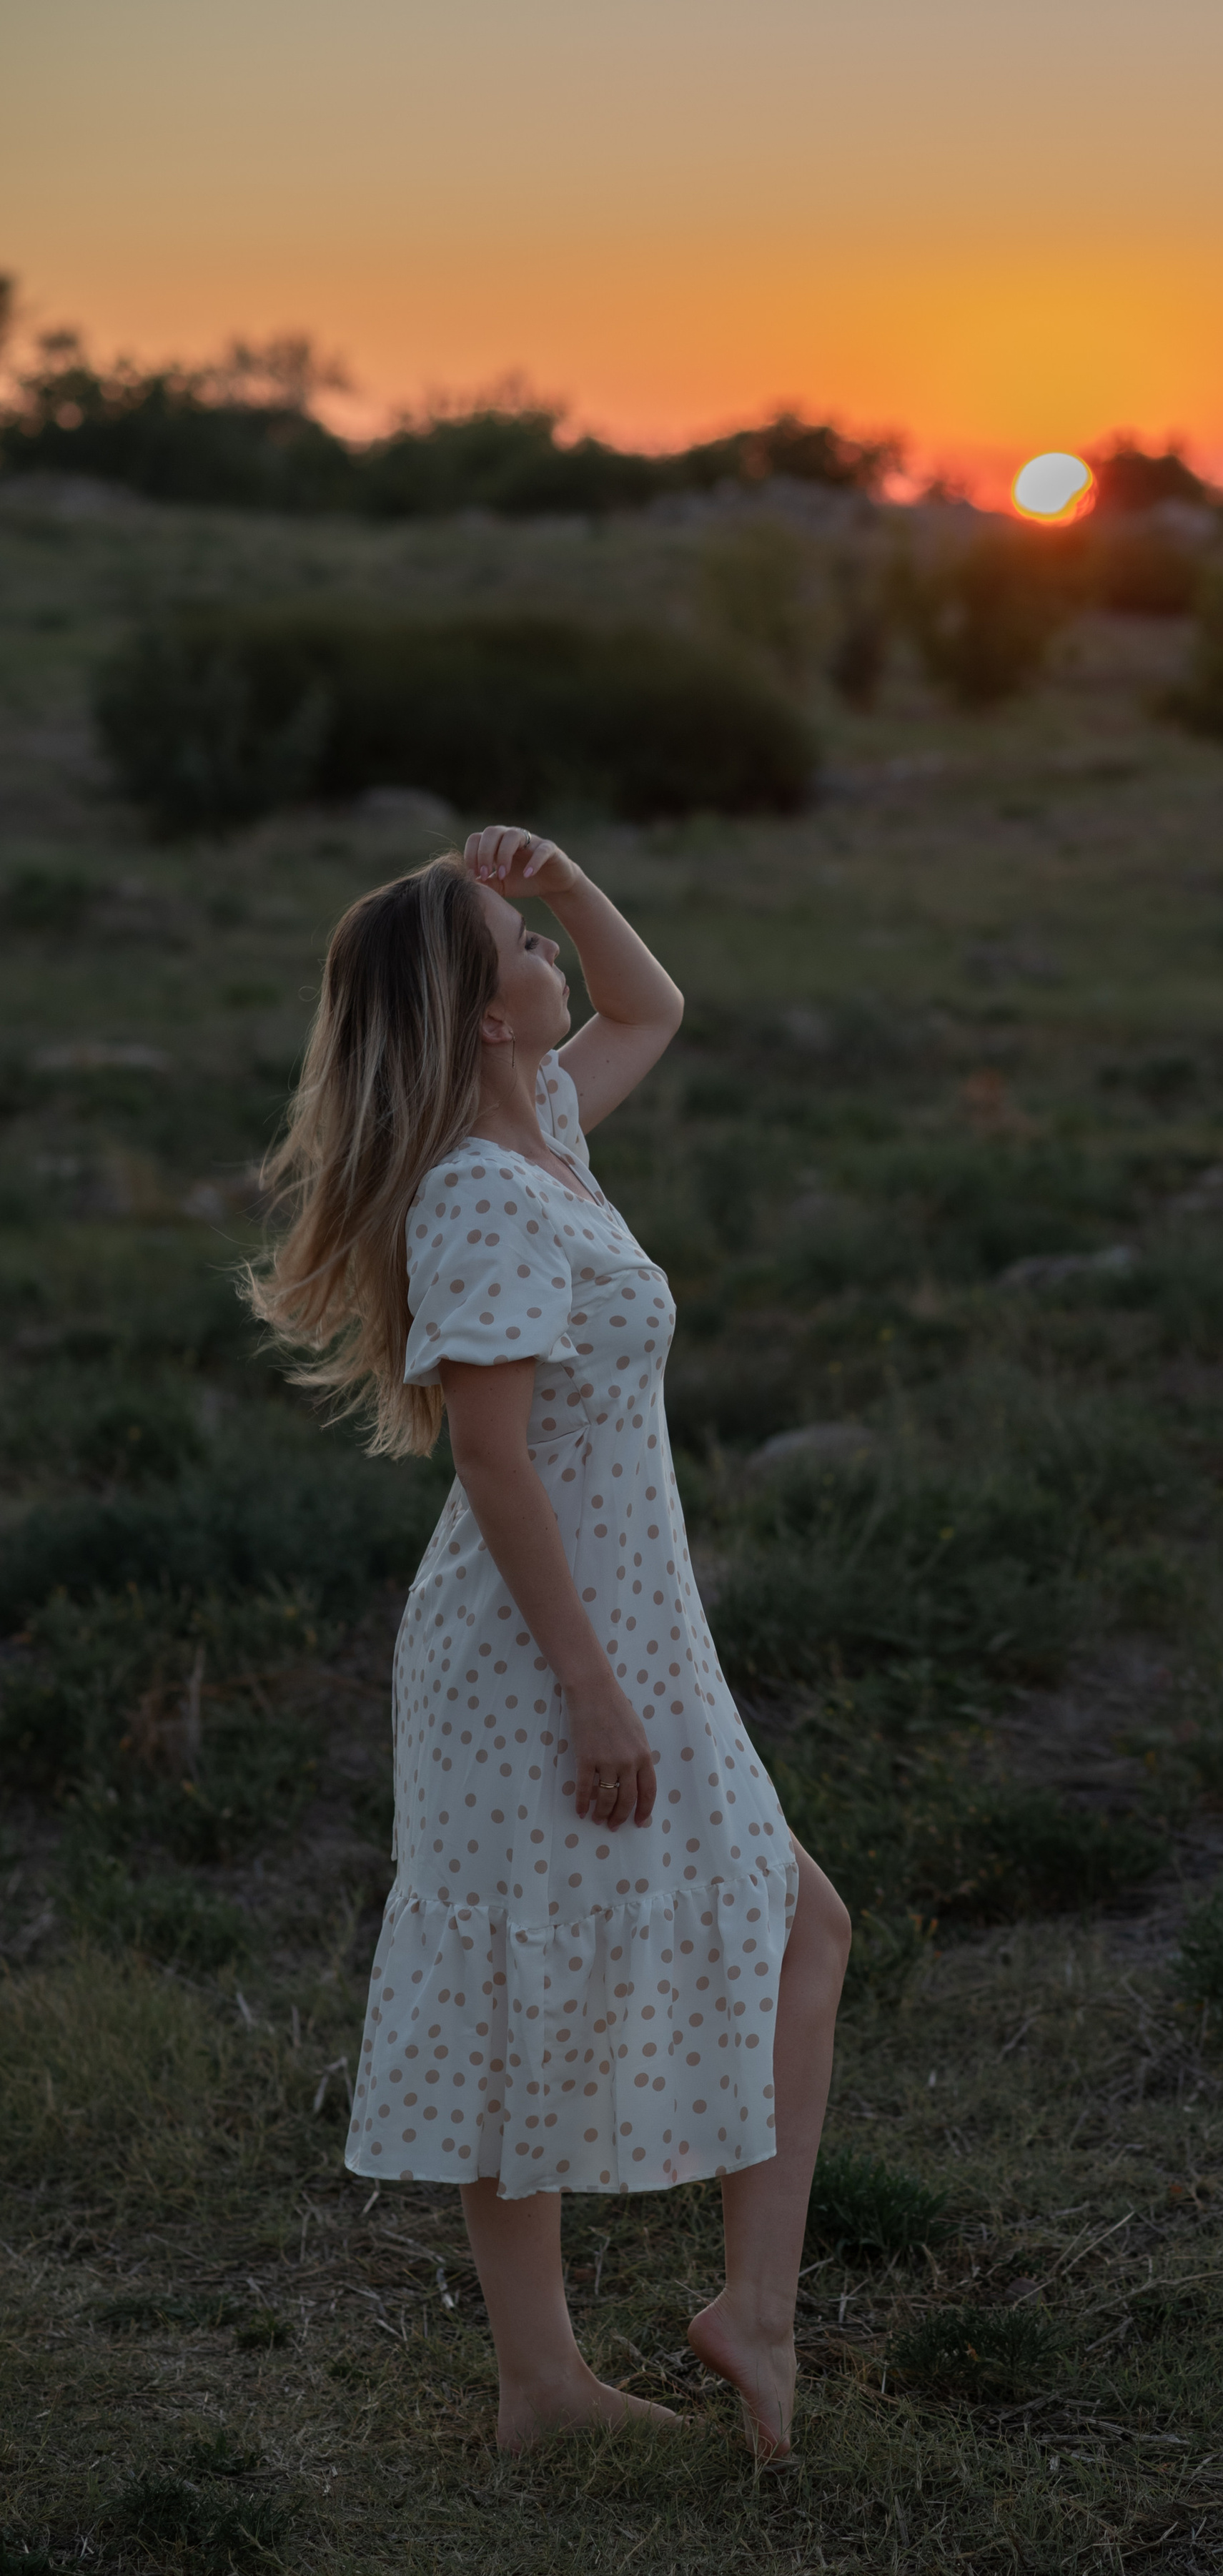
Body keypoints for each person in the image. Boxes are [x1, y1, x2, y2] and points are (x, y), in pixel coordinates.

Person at [247, 825, 851, 2462]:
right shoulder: (481, 1201)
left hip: (625, 1628)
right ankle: (554, 2384)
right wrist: (591, 1689)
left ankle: (729, 2323)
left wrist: (568, 880)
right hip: (544, 1651)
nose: (551, 957)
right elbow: (492, 1458)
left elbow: (654, 1007)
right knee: (557, 1976)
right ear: (484, 1014)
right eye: (520, 945)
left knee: (791, 1927)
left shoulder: (548, 1132)